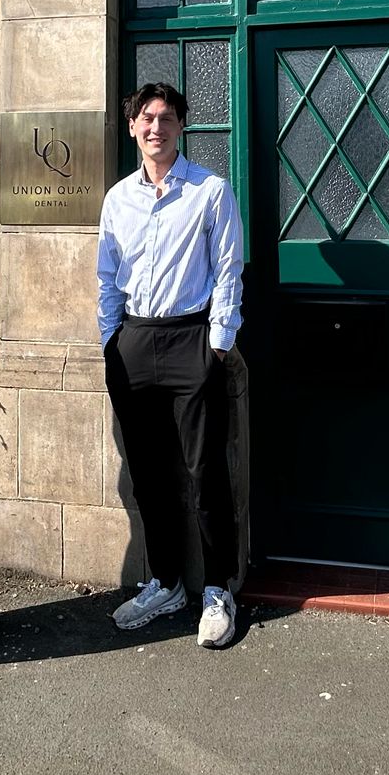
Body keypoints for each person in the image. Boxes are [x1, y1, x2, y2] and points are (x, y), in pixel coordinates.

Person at [97, 80, 246, 649]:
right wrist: (112, 341)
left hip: (191, 340)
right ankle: (164, 581)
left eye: (166, 118)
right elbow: (107, 276)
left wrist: (218, 343)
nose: (155, 127)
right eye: (146, 118)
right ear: (133, 127)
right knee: (150, 475)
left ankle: (217, 589)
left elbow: (229, 269)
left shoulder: (210, 191)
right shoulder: (118, 199)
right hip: (134, 341)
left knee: (205, 473)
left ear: (181, 126)